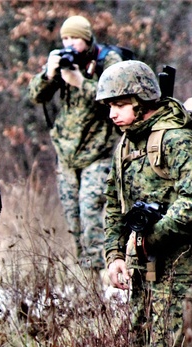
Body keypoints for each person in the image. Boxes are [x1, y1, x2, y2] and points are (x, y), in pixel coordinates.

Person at [98, 60, 192, 347]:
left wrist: (153, 236)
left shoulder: (175, 138)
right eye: (109, 106)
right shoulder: (125, 144)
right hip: (143, 267)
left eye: (120, 104)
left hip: (182, 264)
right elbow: (113, 204)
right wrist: (115, 254)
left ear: (142, 99)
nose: (113, 114)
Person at [28, 15, 122, 271]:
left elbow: (119, 97)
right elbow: (36, 96)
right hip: (67, 154)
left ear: (87, 38)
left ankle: (99, 273)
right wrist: (50, 74)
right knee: (73, 218)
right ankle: (86, 278)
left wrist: (81, 83)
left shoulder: (107, 60)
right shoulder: (64, 61)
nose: (69, 44)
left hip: (98, 152)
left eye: (74, 39)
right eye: (65, 38)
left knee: (91, 211)